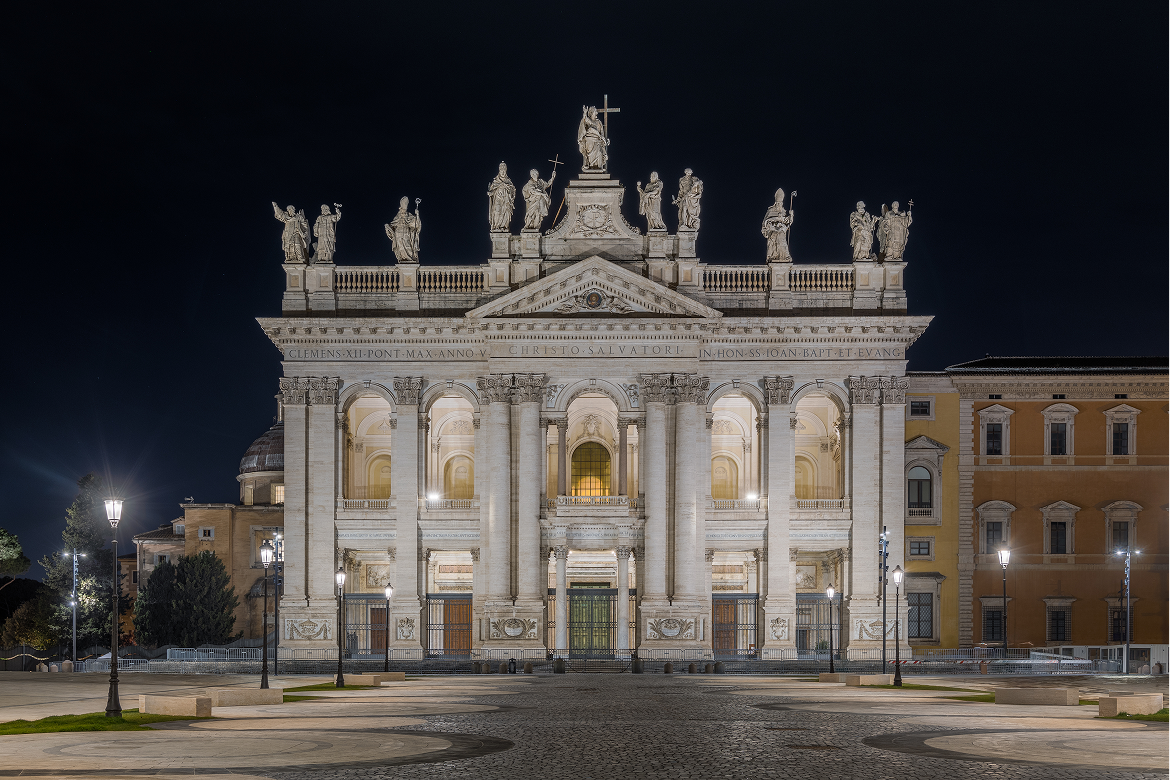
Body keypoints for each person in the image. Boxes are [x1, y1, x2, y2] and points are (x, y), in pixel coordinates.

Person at [384, 197, 421, 262]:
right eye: (404, 204)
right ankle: (403, 259)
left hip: (406, 232)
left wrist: (417, 215)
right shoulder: (398, 216)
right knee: (400, 247)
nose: (405, 206)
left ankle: (409, 258)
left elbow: (416, 224)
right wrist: (388, 226)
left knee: (407, 245)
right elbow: (393, 223)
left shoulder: (409, 215)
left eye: (406, 204)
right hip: (398, 233)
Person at [761, 189, 793, 262]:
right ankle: (773, 256)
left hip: (781, 230)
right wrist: (775, 221)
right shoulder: (770, 211)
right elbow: (766, 222)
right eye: (778, 203)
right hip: (773, 230)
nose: (779, 205)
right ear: (775, 203)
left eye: (780, 203)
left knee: (781, 238)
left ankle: (785, 256)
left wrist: (791, 216)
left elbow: (787, 222)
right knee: (775, 236)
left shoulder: (783, 211)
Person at [577, 106, 608, 171]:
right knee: (589, 143)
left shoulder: (599, 122)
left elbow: (601, 132)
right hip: (589, 139)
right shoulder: (588, 120)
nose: (597, 112)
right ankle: (588, 165)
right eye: (595, 111)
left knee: (599, 150)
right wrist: (585, 113)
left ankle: (599, 167)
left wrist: (604, 139)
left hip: (598, 140)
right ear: (591, 112)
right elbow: (584, 121)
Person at [487, 162, 515, 232]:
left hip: (506, 200)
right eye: (501, 170)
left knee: (506, 212)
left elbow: (513, 190)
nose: (502, 172)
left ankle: (504, 227)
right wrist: (491, 193)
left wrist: (509, 190)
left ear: (506, 171)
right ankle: (497, 226)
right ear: (499, 171)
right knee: (497, 211)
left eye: (504, 170)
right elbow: (493, 190)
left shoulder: (508, 181)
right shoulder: (495, 181)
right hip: (498, 199)